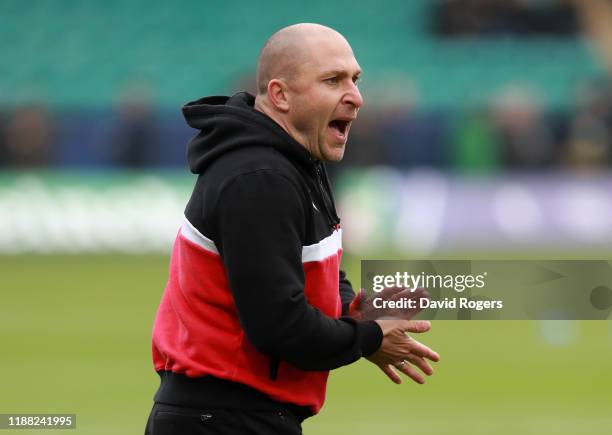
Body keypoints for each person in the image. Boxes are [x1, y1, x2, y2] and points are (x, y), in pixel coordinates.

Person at [145, 23, 440, 435]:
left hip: (243, 416)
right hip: (223, 419)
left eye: (355, 79)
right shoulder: (260, 177)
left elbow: (316, 265)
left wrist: (348, 308)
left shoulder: (297, 162)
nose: (356, 96)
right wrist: (368, 336)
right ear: (281, 95)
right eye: (332, 80)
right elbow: (279, 326)